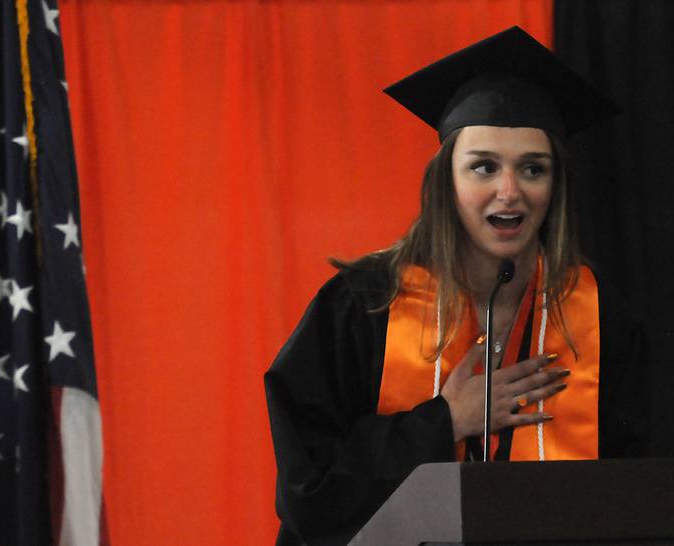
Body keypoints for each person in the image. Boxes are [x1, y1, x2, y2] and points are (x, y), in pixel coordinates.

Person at [264, 27, 648, 546]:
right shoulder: (363, 305)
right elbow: (308, 492)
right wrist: (445, 421)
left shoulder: (602, 317)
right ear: (445, 180)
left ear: (555, 187)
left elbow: (638, 497)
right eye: (483, 166)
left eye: (533, 169)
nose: (509, 191)